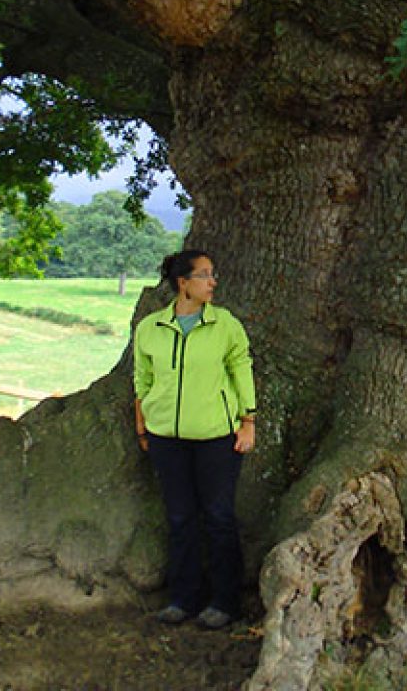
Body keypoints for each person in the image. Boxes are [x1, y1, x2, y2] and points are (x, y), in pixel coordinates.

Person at [133, 250, 256, 629]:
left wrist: (248, 420)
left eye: (212, 274)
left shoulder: (225, 325)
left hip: (217, 438)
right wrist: (143, 427)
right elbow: (142, 381)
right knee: (179, 518)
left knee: (219, 517)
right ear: (182, 283)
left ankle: (225, 601)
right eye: (204, 275)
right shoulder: (150, 328)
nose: (212, 281)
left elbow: (241, 368)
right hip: (166, 439)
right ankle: (182, 599)